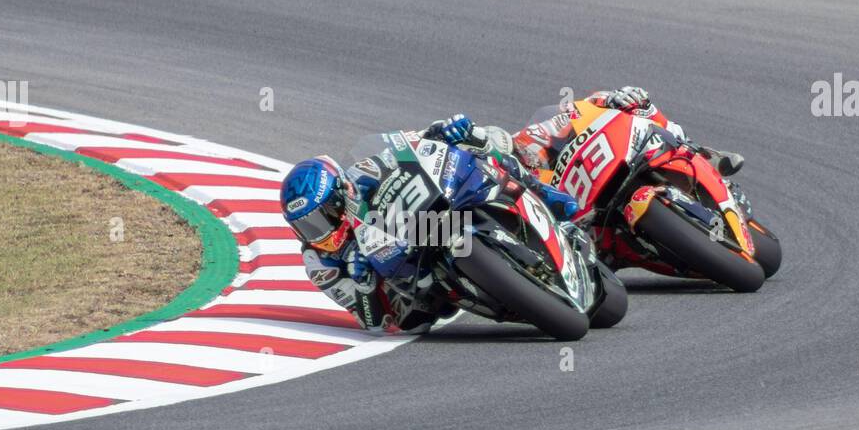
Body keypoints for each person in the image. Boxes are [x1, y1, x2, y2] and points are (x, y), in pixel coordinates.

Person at [280, 116, 579, 334]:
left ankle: (549, 197)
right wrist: (364, 285)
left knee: (481, 141)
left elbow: (409, 145)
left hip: (422, 221)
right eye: (306, 227)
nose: (319, 232)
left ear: (341, 195)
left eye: (321, 218)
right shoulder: (320, 264)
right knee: (415, 324)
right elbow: (372, 323)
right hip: (412, 293)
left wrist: (441, 130)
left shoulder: (361, 175)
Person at [510, 86, 745, 180]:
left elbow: (587, 105)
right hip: (587, 213)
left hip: (619, 157)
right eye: (526, 157)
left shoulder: (552, 126)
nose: (531, 157)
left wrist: (614, 98)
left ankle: (700, 154)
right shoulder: (526, 179)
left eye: (530, 153)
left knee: (638, 106)